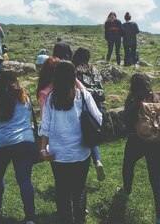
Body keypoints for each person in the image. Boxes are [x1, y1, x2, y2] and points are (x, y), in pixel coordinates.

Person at [39, 61, 102, 224]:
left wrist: (42, 149)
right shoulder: (82, 95)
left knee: (62, 190)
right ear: (74, 76)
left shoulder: (50, 98)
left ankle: (65, 219)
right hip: (81, 153)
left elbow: (44, 126)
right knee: (79, 188)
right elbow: (99, 118)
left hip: (58, 154)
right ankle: (79, 219)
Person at [0, 71, 37, 224]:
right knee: (24, 180)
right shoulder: (24, 98)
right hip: (25, 142)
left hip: (3, 142)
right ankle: (30, 217)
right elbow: (28, 118)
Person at [120, 72, 160, 224]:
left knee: (128, 165)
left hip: (136, 140)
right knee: (157, 179)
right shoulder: (157, 98)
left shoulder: (132, 100)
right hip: (157, 141)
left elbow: (127, 122)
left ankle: (127, 190)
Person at [71, 47, 106, 181]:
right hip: (97, 105)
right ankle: (97, 161)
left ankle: (83, 164)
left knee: (85, 134)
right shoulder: (94, 69)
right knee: (91, 132)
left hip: (84, 106)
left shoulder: (75, 71)